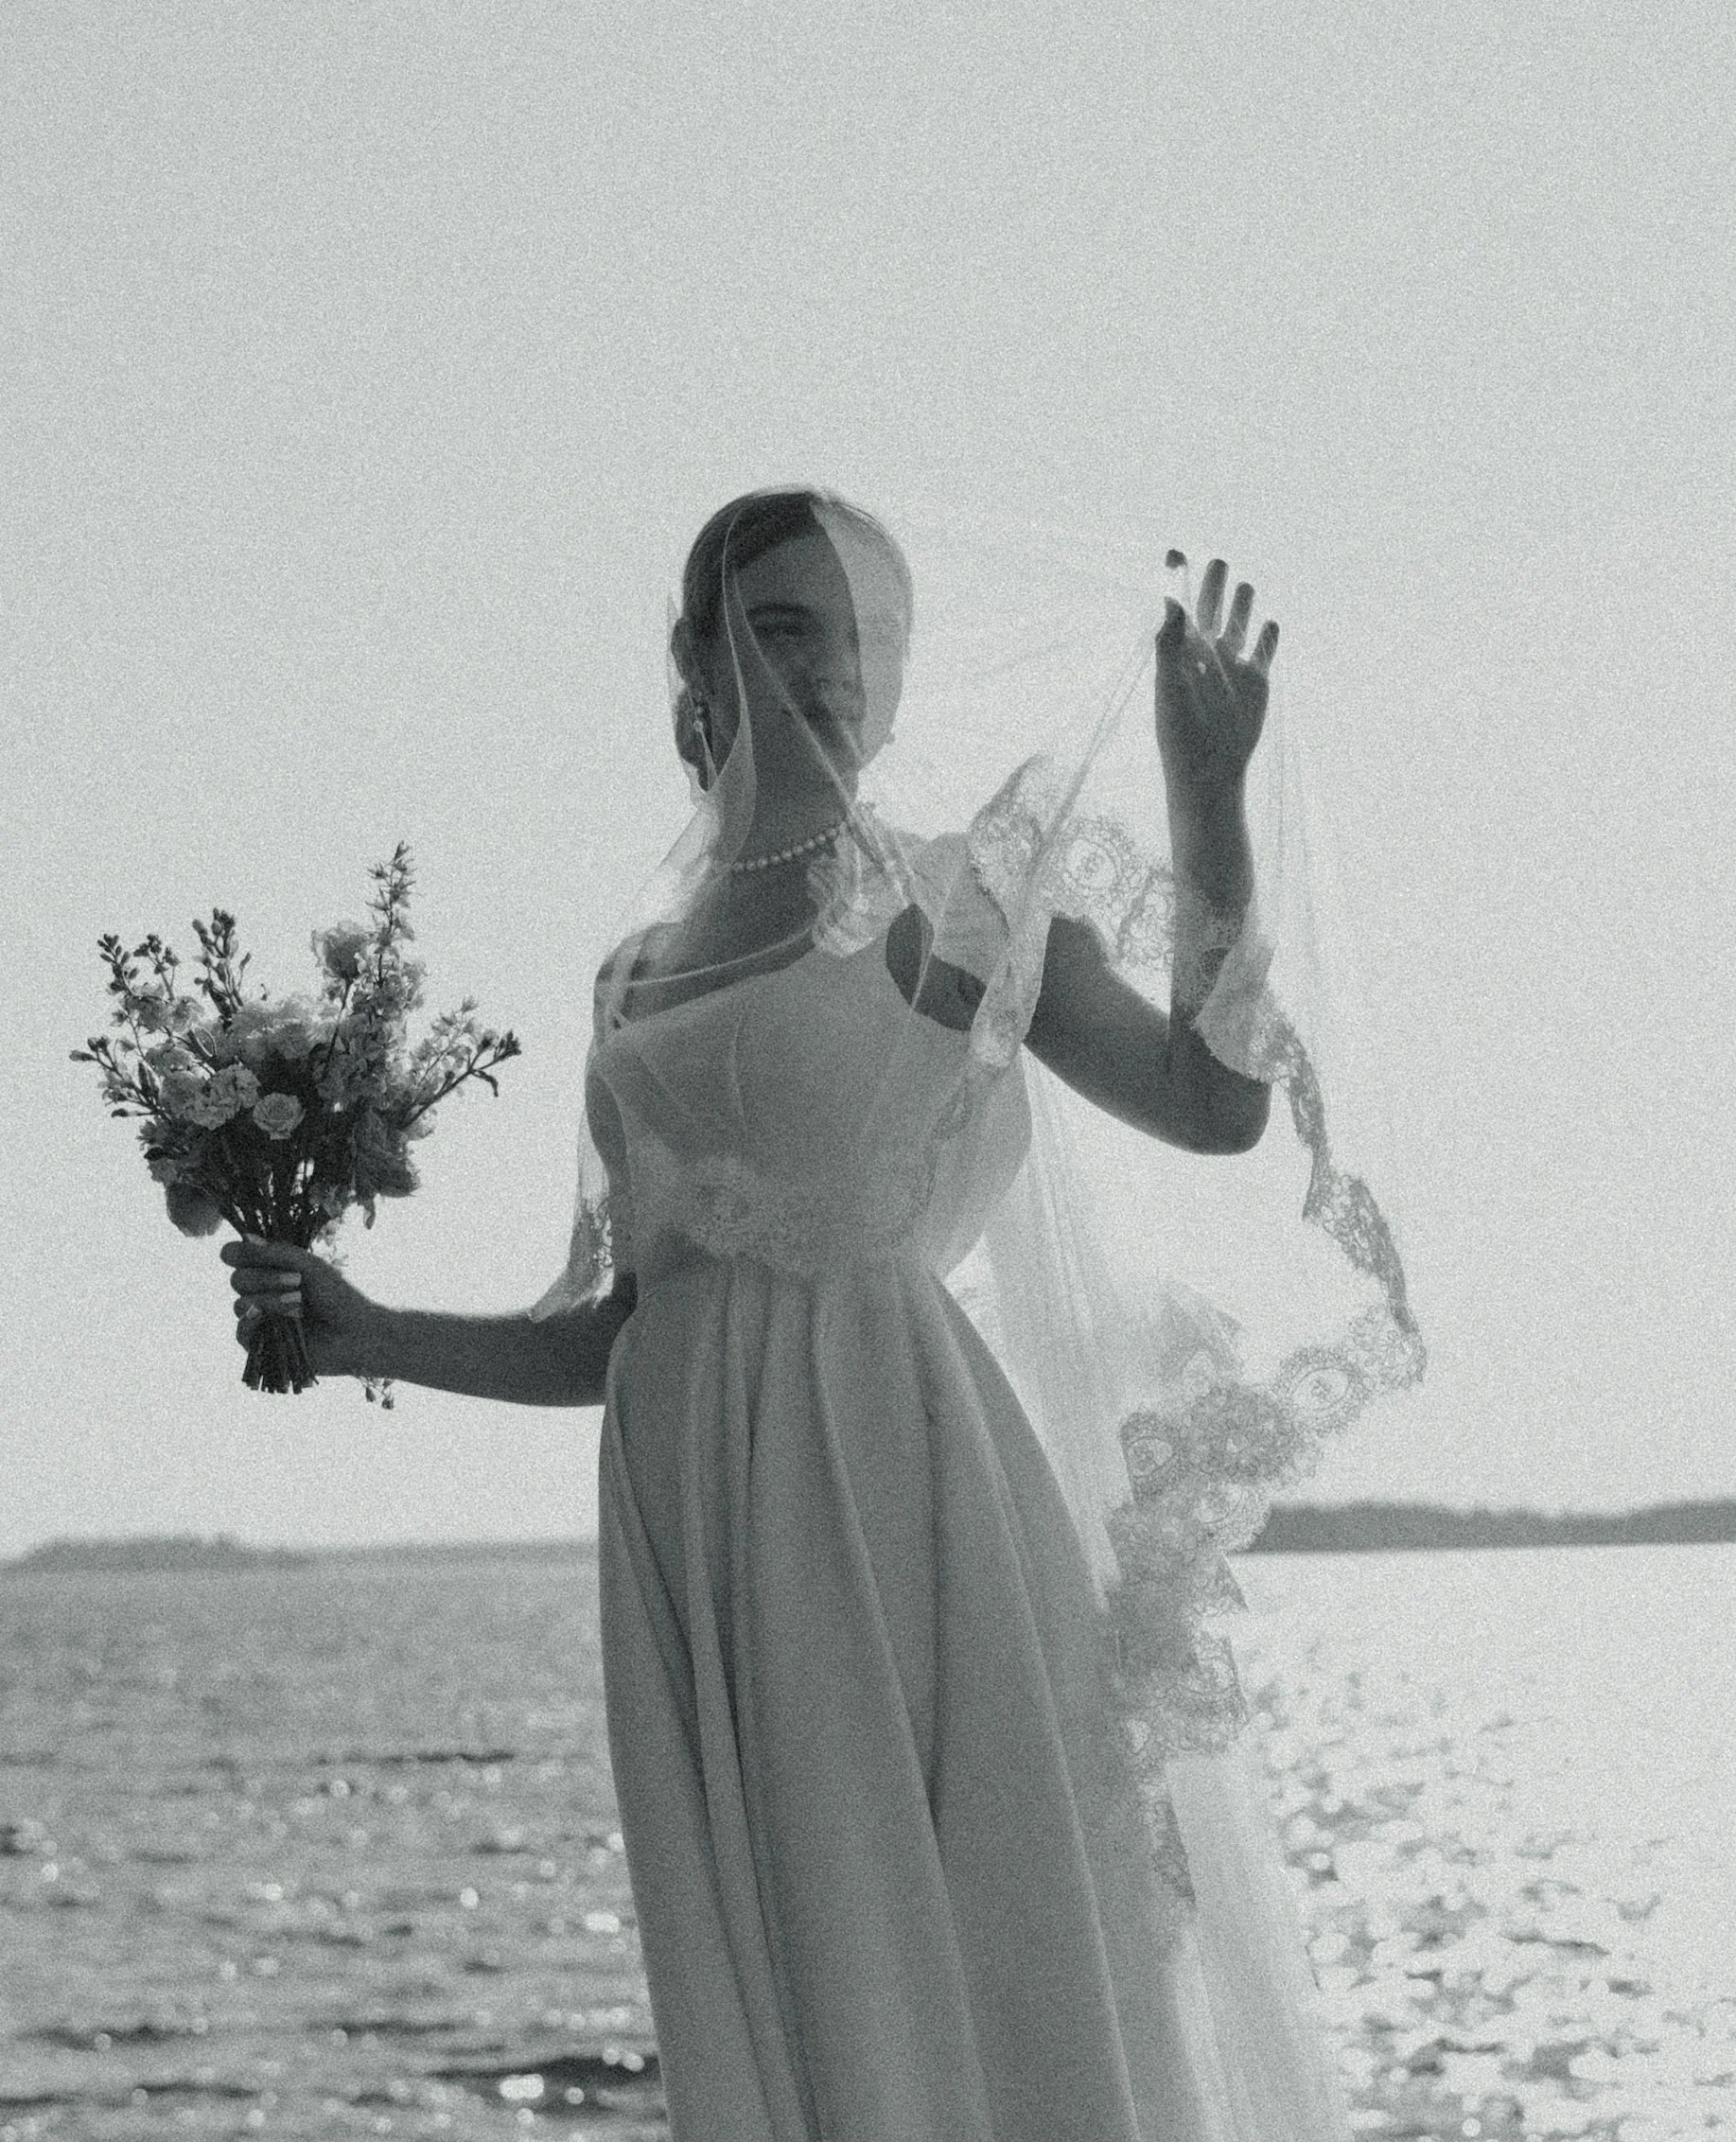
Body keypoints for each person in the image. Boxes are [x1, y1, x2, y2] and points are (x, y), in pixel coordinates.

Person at [223, 487, 1403, 2139]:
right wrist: (370, 1332)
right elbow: (628, 1323)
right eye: (780, 625)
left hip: (899, 1494)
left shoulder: (955, 901)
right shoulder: (629, 980)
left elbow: (1214, 1106)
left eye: (858, 636)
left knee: (970, 1949)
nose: (828, 669)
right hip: (693, 1524)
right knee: (780, 1975)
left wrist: (1205, 800)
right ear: (694, 661)